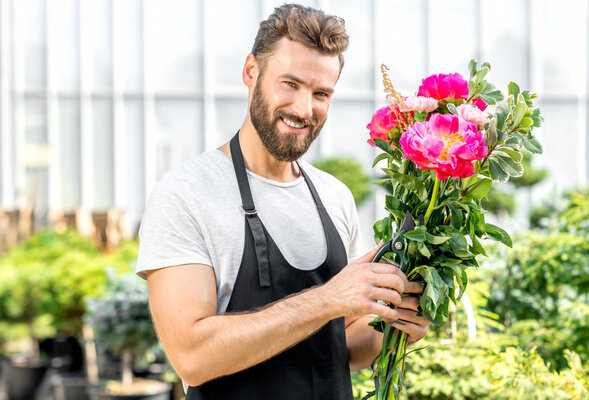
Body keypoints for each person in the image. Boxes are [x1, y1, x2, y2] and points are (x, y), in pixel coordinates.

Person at [137, 4, 430, 399]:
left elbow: (338, 348)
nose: (304, 109)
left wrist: (395, 328)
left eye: (321, 93)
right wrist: (326, 299)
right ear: (251, 72)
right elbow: (192, 356)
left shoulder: (334, 196)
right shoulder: (187, 193)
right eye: (290, 84)